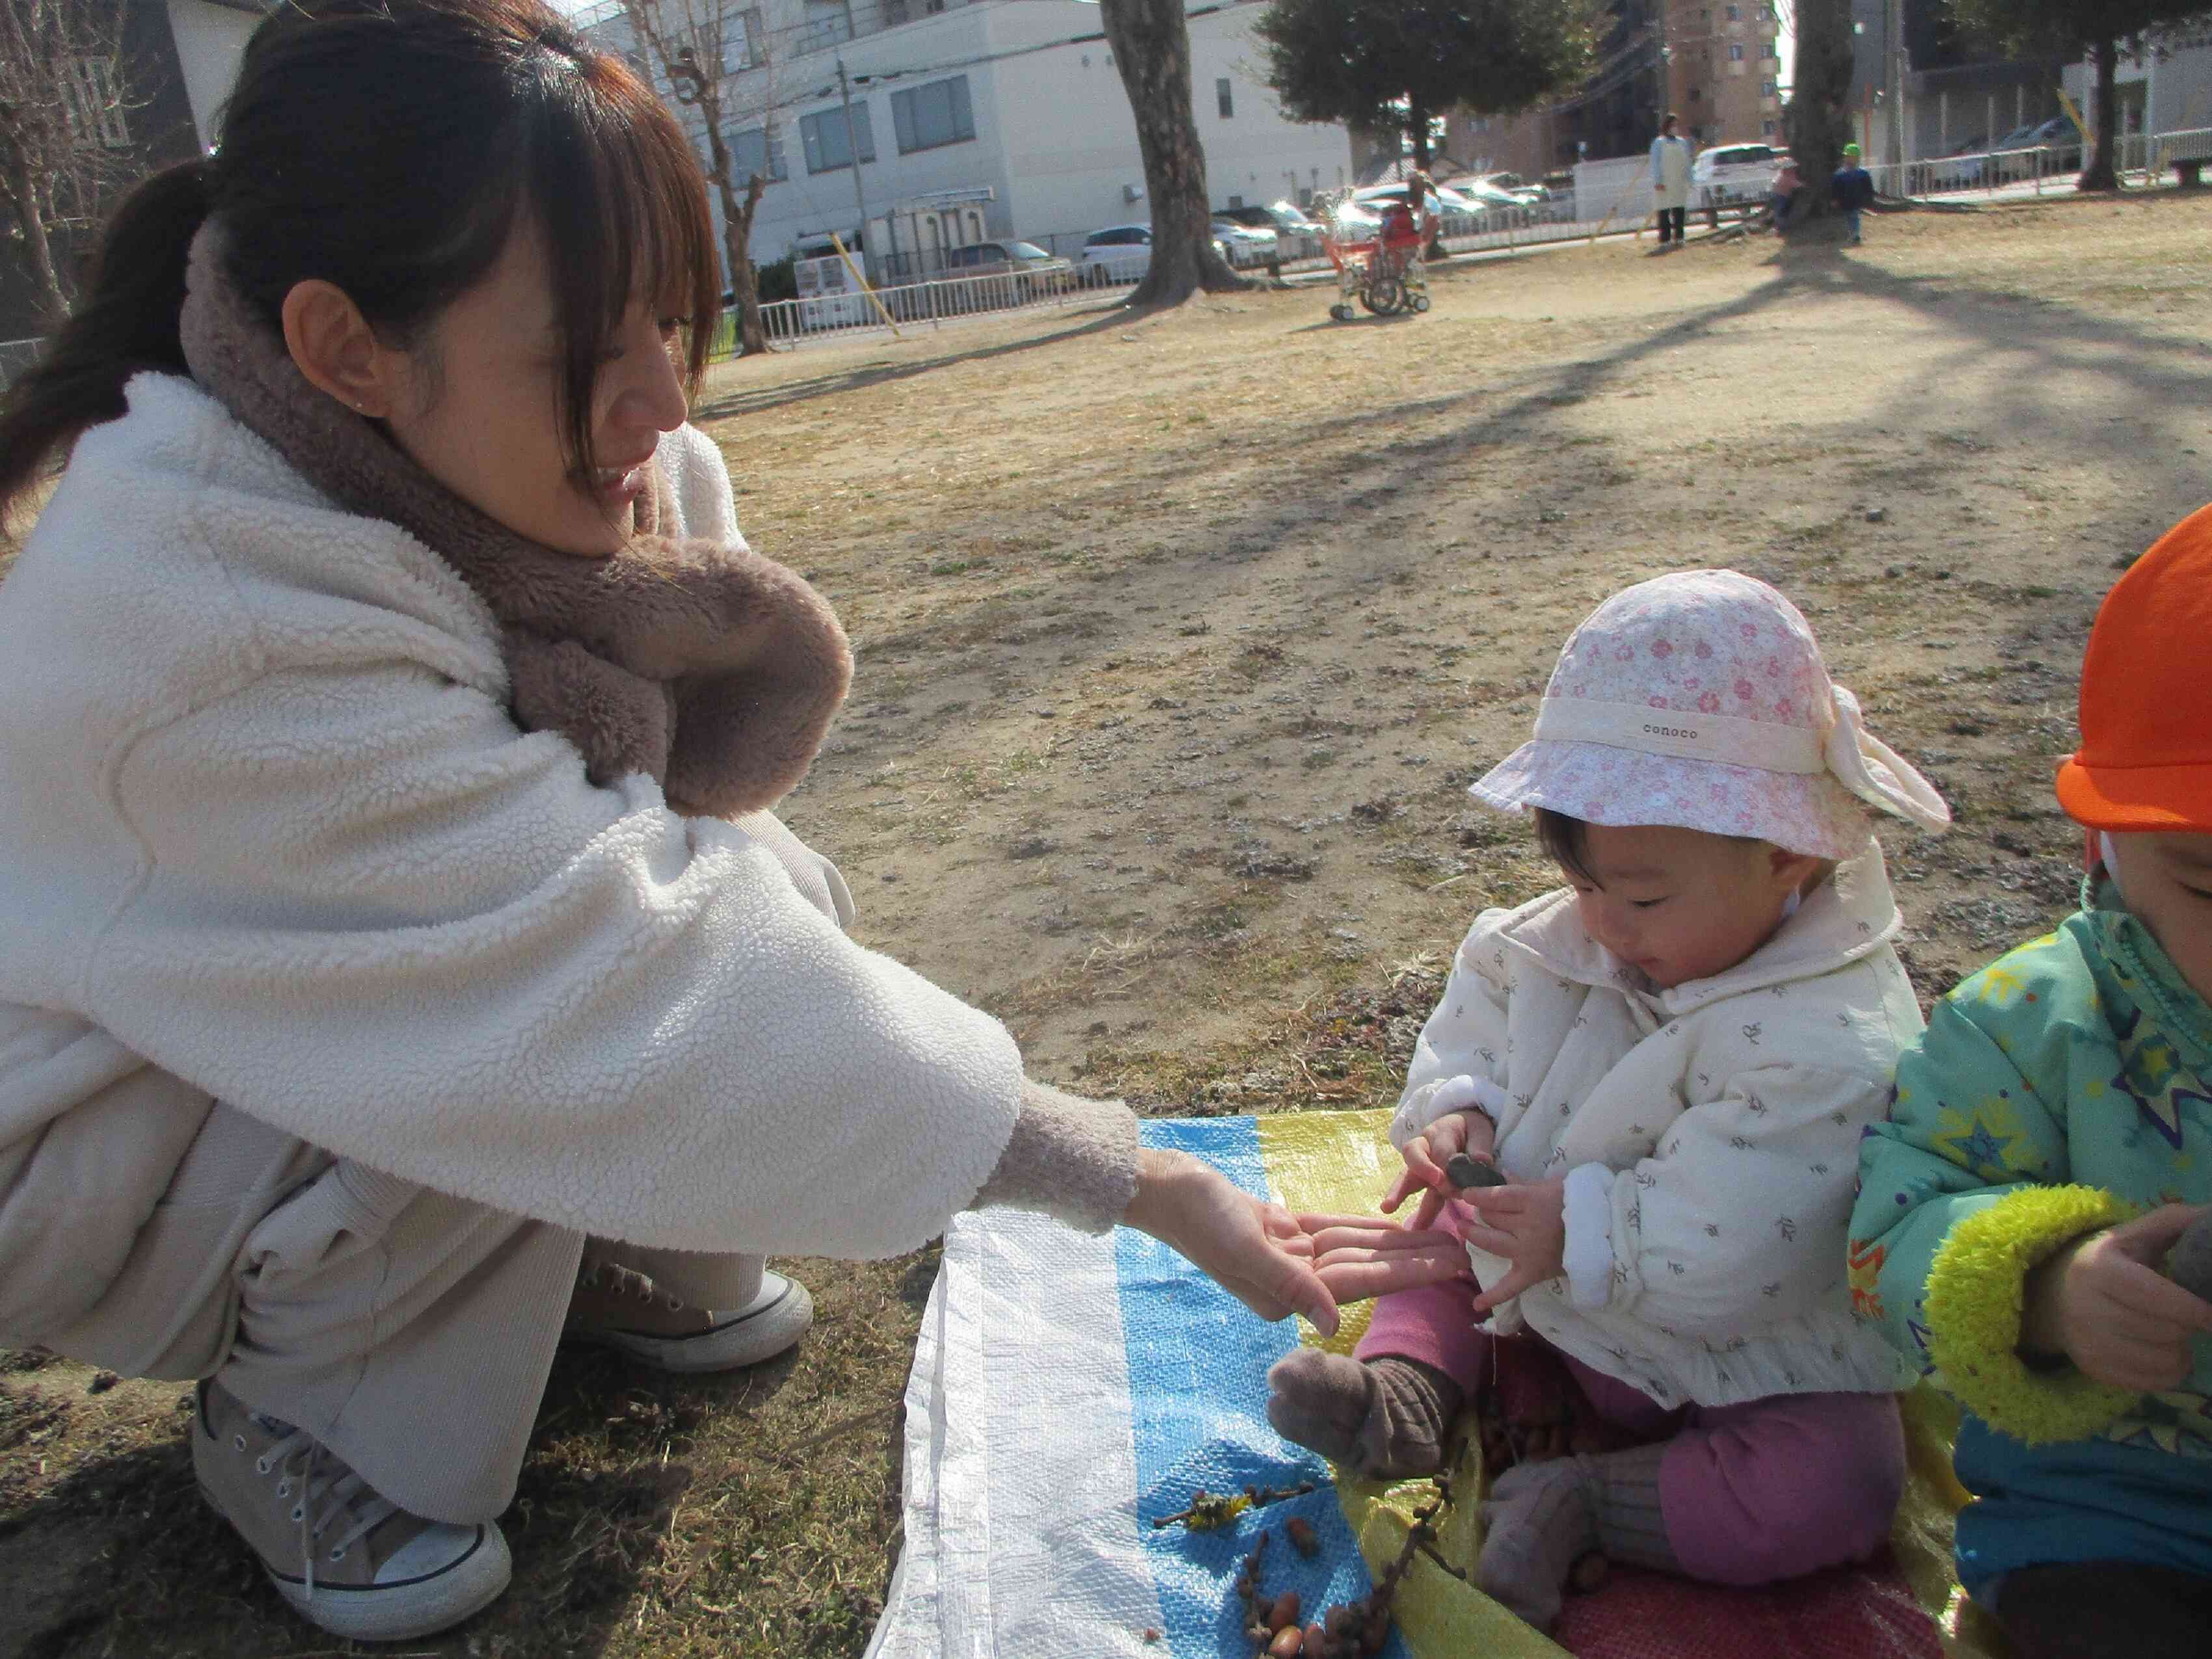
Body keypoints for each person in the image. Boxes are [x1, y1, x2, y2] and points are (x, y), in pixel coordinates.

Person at [0, 0, 1334, 1644]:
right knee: (560, 998)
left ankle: (578, 1264)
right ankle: (300, 1419)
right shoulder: (202, 606)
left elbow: (664, 889)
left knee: (766, 889)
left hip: (325, 1020)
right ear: (346, 351)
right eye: (583, 344)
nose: (656, 405)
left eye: (676, 321)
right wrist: (1133, 1176)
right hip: (100, 1144)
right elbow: (581, 968)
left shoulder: (531, 467)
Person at [1269, 570, 1953, 1633]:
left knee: (1842, 1478)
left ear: (1789, 855)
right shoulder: (1576, 931)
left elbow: (1746, 1239)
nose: (1600, 924)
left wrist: (1587, 1230)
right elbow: (1482, 1000)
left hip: (1736, 1349)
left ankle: (1594, 1503)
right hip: (1535, 1272)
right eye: (1580, 882)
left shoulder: (1834, 1040)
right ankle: (1405, 1389)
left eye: (1638, 894)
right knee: (1449, 1218)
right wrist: (1461, 1105)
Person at [1850, 506, 2212, 1659]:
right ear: (2099, 847)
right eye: (2210, 886)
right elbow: (1889, 1231)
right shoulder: (2029, 1025)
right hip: (2116, 1518)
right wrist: (2051, 1289)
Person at [1650, 114, 1692, 248]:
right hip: (1664, 183)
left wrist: (1690, 179)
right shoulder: (1659, 143)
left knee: (1679, 210)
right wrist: (1658, 181)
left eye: (1676, 125)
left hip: (1679, 182)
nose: (1675, 128)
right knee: (1664, 212)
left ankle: (1679, 237)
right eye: (1673, 125)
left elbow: (1687, 162)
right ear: (1667, 126)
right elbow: (1655, 163)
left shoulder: (1682, 143)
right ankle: (1665, 240)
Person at [1833, 143, 1876, 243]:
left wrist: (1869, 198)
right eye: (1846, 156)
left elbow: (1868, 188)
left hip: (1856, 200)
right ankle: (1852, 234)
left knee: (1854, 216)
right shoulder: (1840, 174)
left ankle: (1855, 235)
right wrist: (1835, 199)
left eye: (1850, 157)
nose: (1848, 159)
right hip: (1844, 201)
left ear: (1856, 158)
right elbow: (1835, 188)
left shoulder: (1862, 173)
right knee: (1848, 218)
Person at [1769, 156, 1804, 230]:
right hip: (1781, 196)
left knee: (1779, 210)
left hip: (1778, 195)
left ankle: (1778, 224)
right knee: (1780, 211)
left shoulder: (1782, 176)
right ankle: (1780, 226)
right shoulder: (1787, 177)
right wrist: (1804, 185)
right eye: (1792, 168)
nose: (1794, 170)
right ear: (1787, 169)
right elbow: (1797, 185)